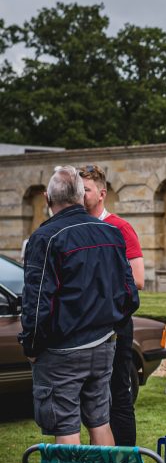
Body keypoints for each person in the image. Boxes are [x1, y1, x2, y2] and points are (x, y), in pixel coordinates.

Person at [19, 166, 140, 445]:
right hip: (102, 345)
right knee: (100, 422)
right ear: (79, 196)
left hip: (63, 350)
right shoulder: (109, 232)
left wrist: (31, 347)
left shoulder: (45, 238)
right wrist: (108, 326)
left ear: (47, 199)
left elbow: (36, 304)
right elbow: (129, 295)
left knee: (66, 426)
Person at [80, 163, 145, 447]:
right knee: (91, 395)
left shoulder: (119, 227)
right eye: (77, 190)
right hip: (86, 325)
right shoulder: (76, 228)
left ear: (102, 193)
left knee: (118, 393)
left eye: (86, 190)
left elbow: (138, 279)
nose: (80, 196)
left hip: (115, 322)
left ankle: (127, 458)